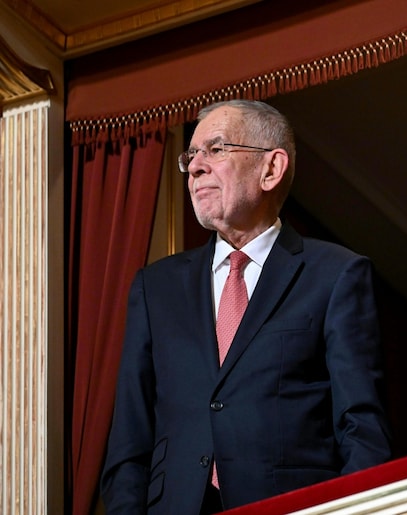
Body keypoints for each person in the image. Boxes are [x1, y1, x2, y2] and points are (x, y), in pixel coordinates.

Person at [101, 99, 392, 514]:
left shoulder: (336, 275)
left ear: (271, 169)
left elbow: (362, 429)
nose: (196, 166)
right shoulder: (156, 287)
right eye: (191, 155)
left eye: (216, 149)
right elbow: (130, 440)